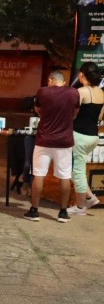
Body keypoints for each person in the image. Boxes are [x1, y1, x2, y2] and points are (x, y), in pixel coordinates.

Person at [23, 70, 79, 222]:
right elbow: (75, 112)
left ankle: (34, 210)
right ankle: (63, 212)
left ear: (50, 80)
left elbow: (38, 110)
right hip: (64, 141)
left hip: (44, 140)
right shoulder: (73, 93)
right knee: (65, 176)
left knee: (38, 174)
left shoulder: (43, 92)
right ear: (63, 81)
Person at [68, 62, 104, 214]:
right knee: (74, 169)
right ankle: (89, 197)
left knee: (77, 171)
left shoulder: (81, 91)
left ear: (82, 75)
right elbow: (100, 116)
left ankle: (80, 207)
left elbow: (71, 113)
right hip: (93, 136)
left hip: (79, 136)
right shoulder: (101, 93)